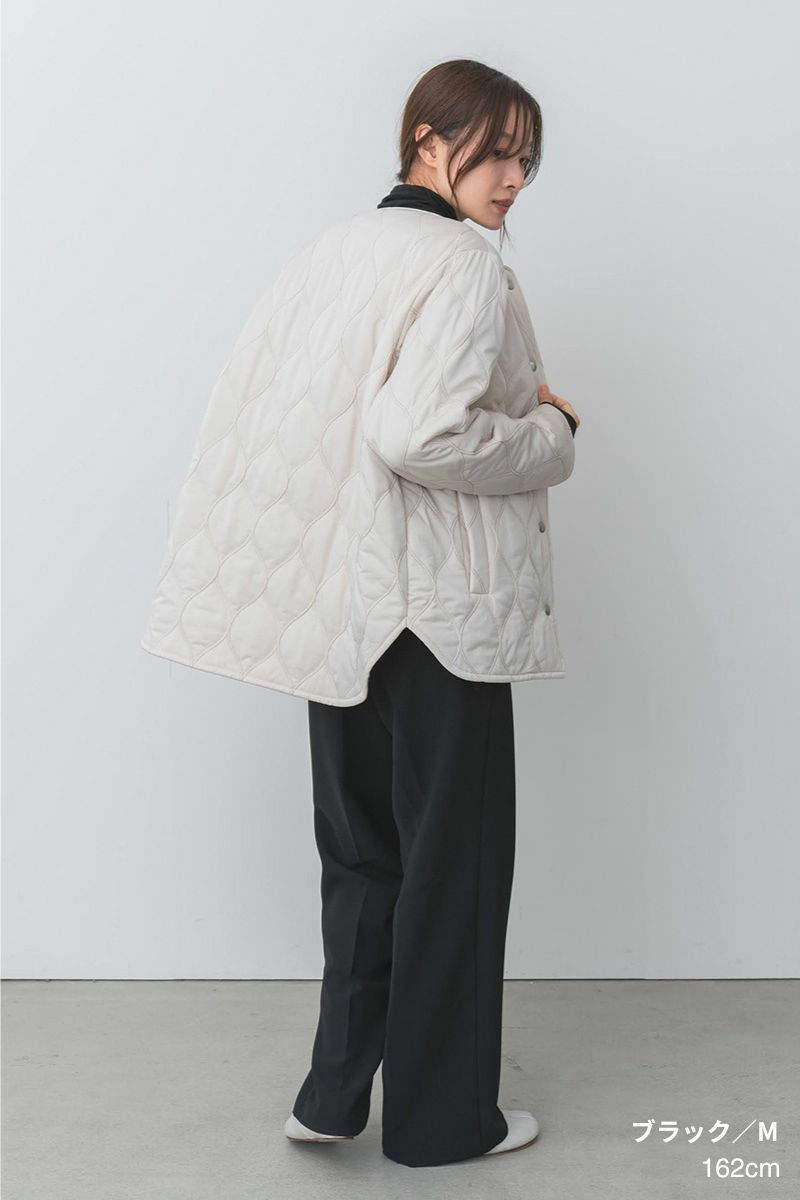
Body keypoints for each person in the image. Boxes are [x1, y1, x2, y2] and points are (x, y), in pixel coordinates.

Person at [140, 57, 580, 1168]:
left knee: (362, 861)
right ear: (428, 140)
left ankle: (332, 1098)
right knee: (452, 871)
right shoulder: (461, 264)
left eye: (527, 159)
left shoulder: (328, 255)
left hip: (341, 610)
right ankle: (442, 1123)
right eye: (496, 151)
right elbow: (417, 434)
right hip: (436, 614)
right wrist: (548, 435)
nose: (513, 178)